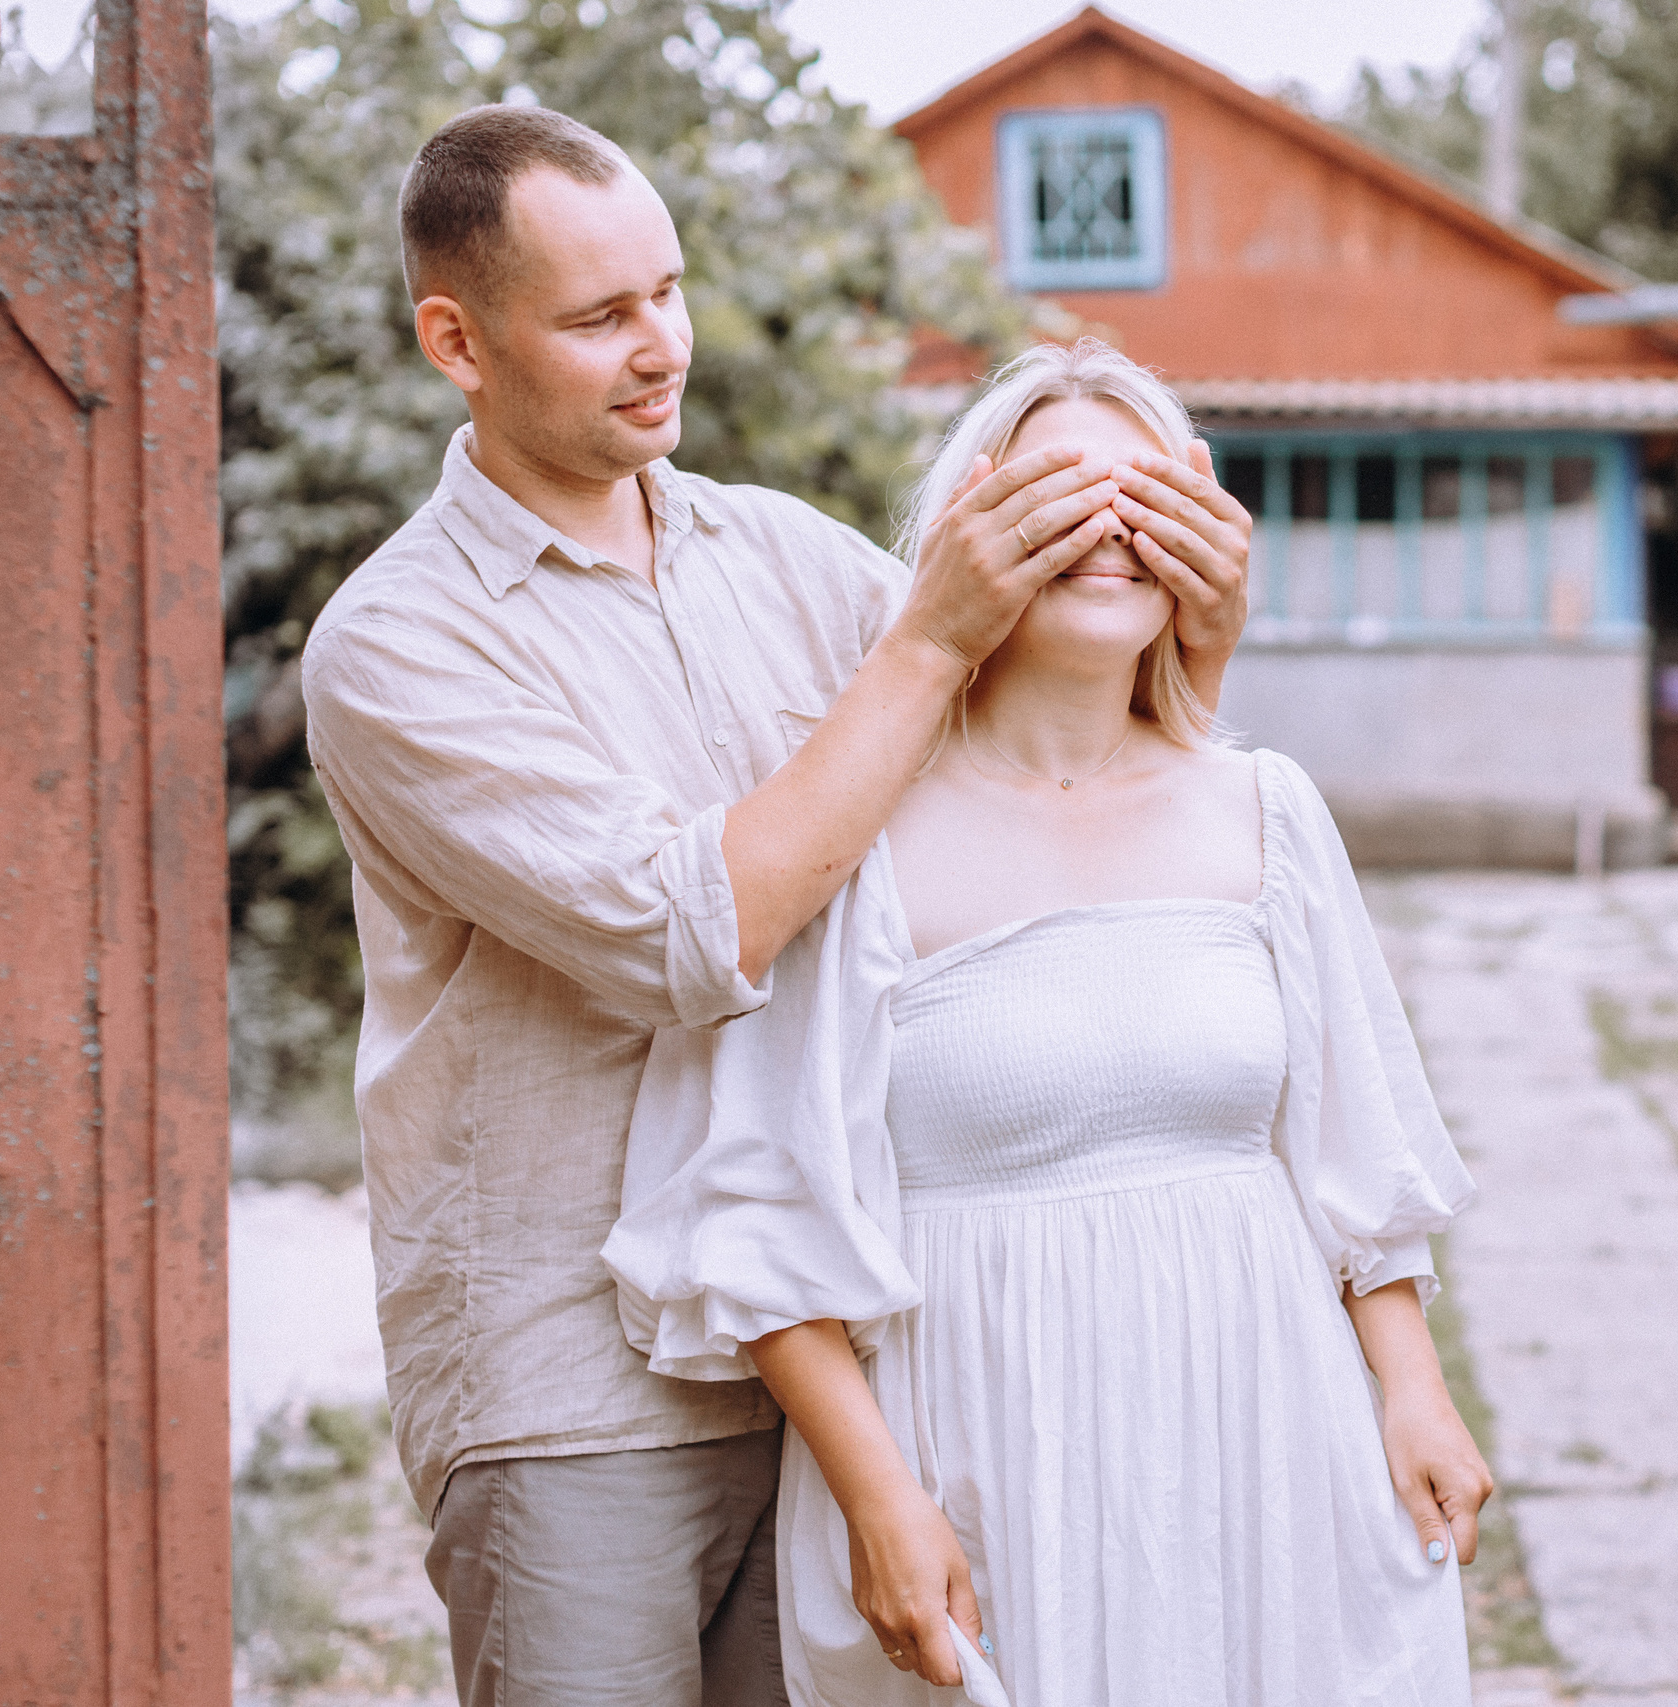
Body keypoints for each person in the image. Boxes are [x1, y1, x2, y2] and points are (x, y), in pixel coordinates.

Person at [298, 108, 1250, 1705]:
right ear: (453, 343)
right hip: (573, 1379)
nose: (660, 345)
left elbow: (1025, 766)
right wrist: (935, 638)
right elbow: (696, 936)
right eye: (600, 318)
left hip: (845, 1356)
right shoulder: (399, 648)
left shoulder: (783, 560)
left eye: (666, 292)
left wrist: (1186, 632)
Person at [604, 340, 1492, 1707]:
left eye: (1149, 496)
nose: (1109, 531)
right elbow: (755, 1210)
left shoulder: (1267, 813)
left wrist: (1414, 1393)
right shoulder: (856, 832)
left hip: (1263, 1435)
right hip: (988, 1447)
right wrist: (882, 1504)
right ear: (970, 535)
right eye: (1059, 494)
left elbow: (1353, 1156)